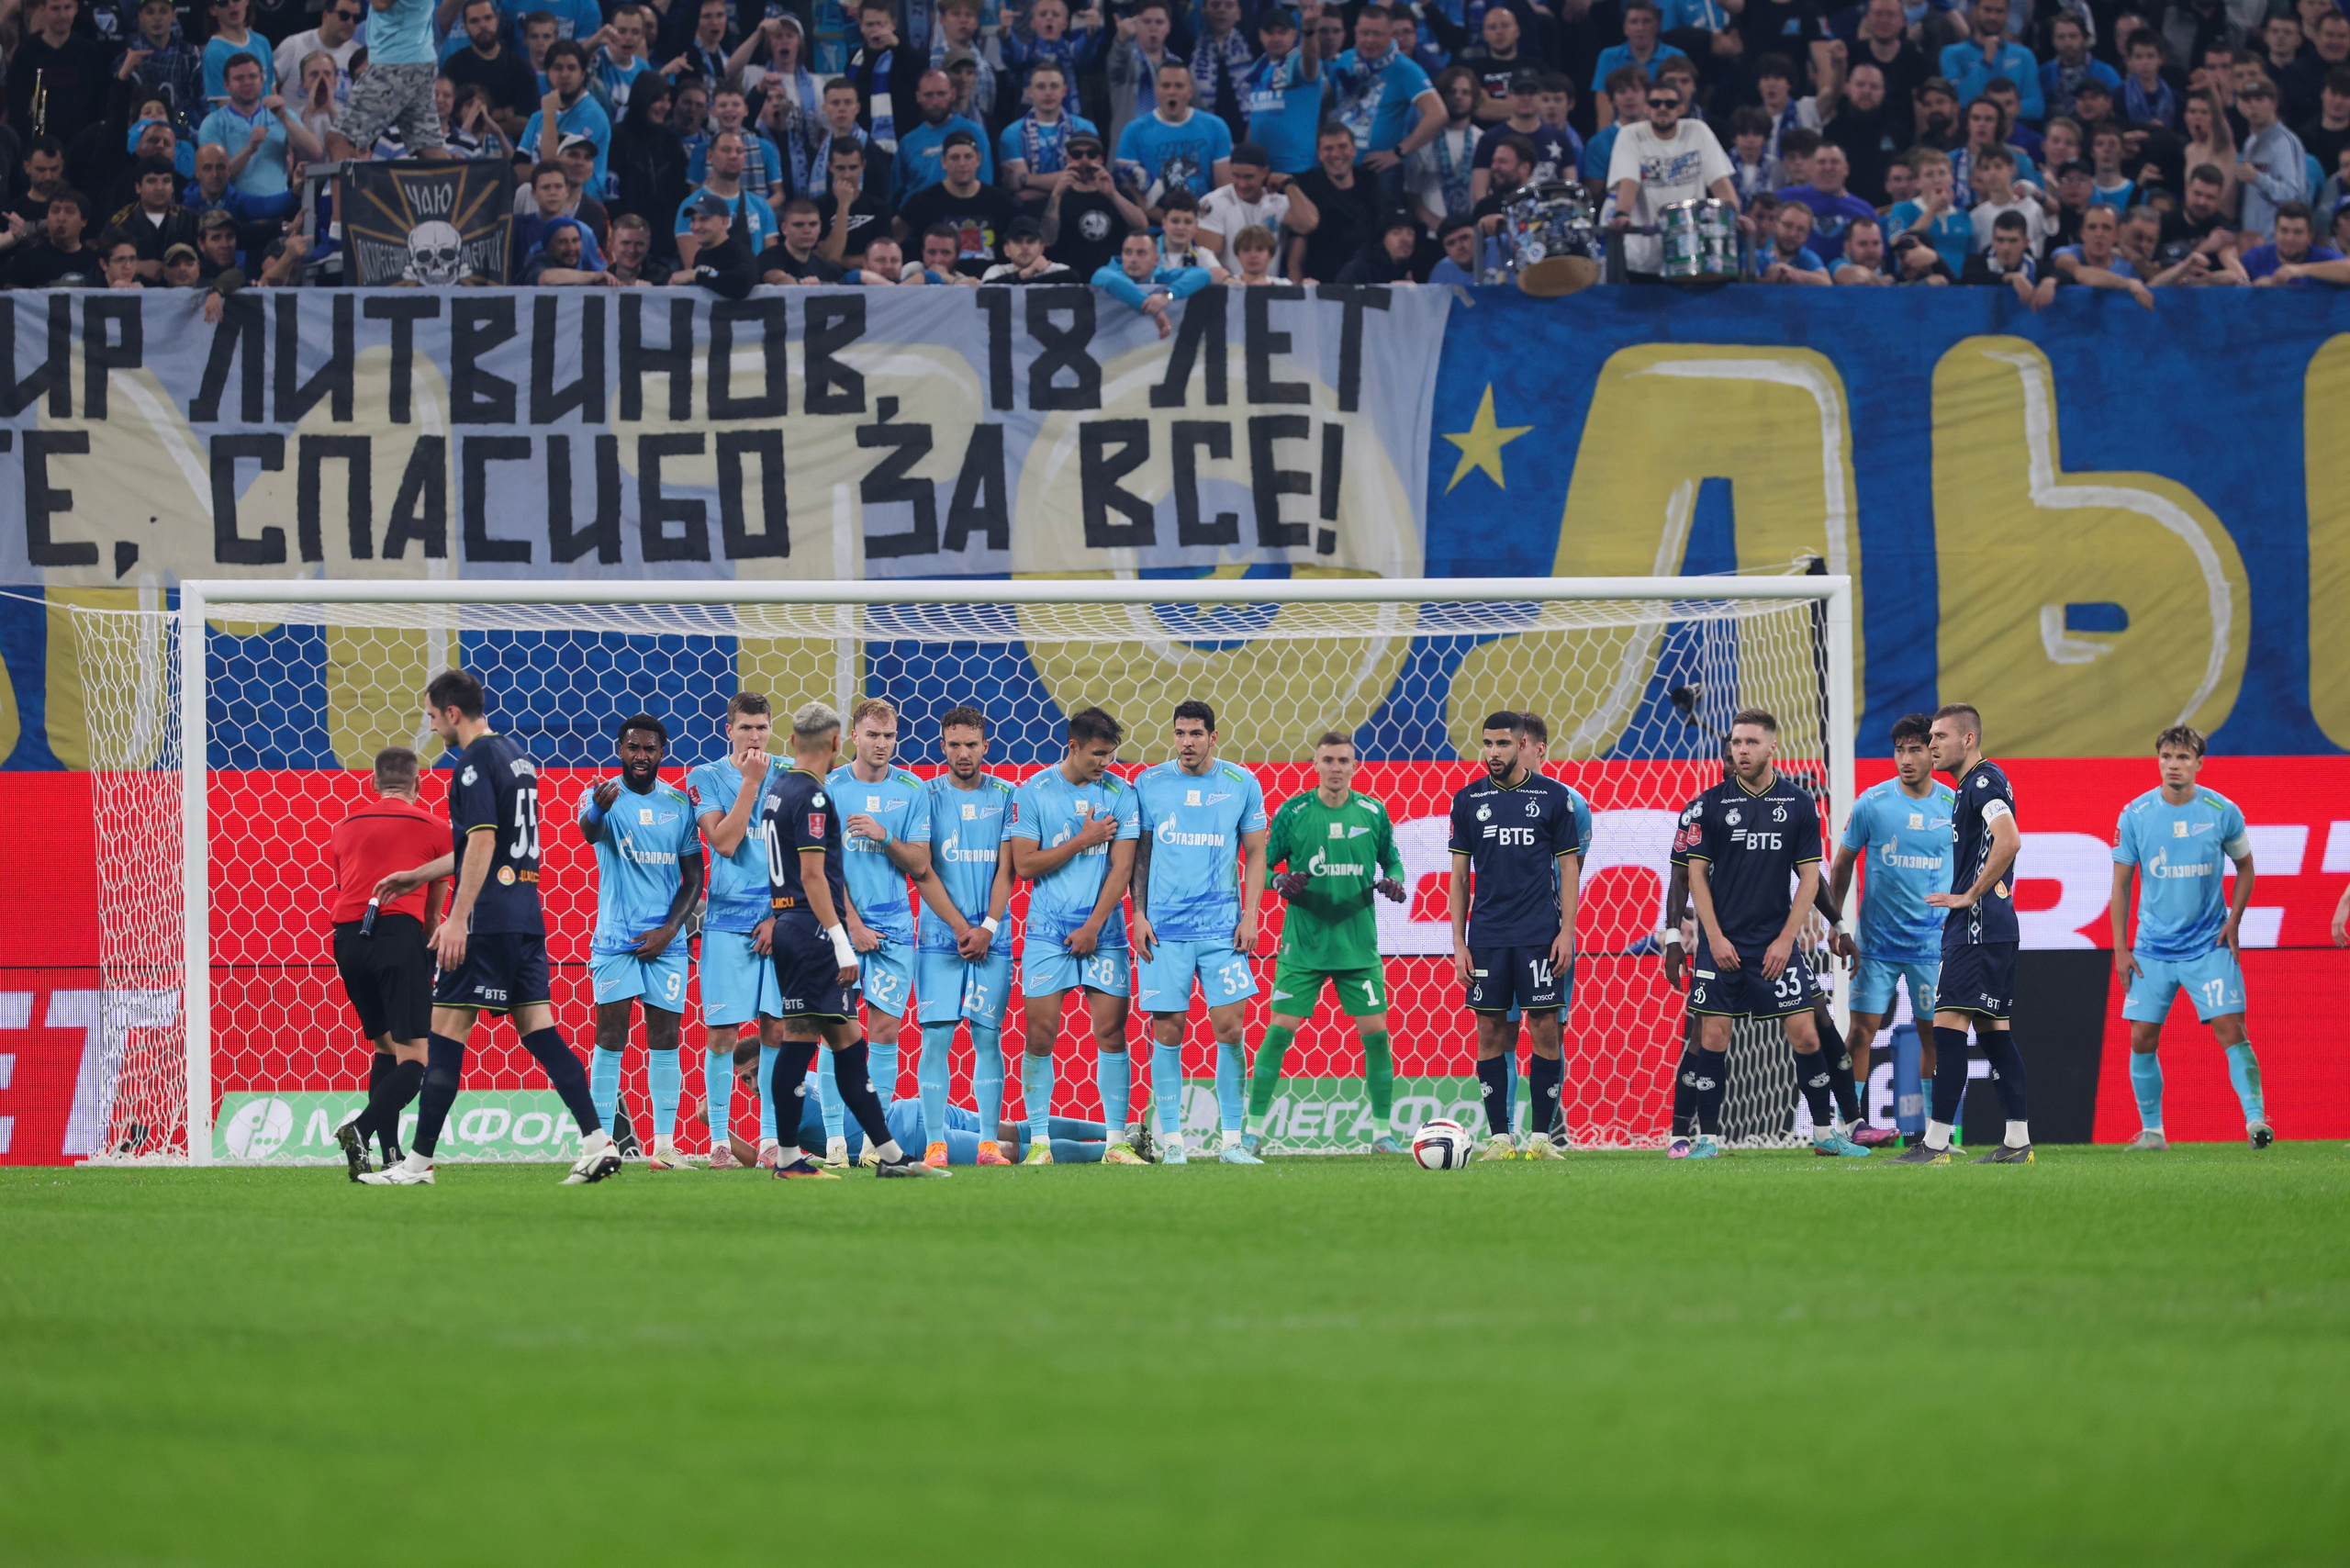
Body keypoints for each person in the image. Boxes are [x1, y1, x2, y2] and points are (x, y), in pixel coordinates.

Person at [360, 669, 619, 1186]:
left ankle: (417, 1165)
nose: (431, 727)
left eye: (432, 716)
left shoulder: (474, 762)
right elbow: (490, 845)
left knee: (446, 1031)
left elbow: (480, 844)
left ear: (452, 713)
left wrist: (457, 919)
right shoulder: (515, 755)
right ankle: (597, 1141)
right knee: (541, 1032)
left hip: (486, 922)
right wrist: (420, 873)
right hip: (524, 916)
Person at [752, 701, 948, 1181]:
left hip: (791, 926)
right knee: (807, 1042)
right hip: (814, 929)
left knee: (839, 1040)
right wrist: (841, 940)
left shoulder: (778, 789)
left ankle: (884, 1155)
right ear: (842, 742)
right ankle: (794, 1159)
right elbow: (815, 876)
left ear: (793, 742)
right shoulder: (819, 796)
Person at [1679, 709, 1868, 1160]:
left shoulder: (1799, 805)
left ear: (1771, 747)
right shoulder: (1709, 804)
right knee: (1713, 1038)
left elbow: (1808, 878)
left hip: (1773, 945)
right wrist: (1714, 937)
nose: (1740, 750)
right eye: (1736, 742)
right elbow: (1695, 877)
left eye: (1750, 742)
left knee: (1806, 1035)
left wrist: (1786, 940)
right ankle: (1708, 1138)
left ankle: (1825, 1134)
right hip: (1721, 944)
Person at [1242, 731, 1407, 1157]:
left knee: (1376, 1037)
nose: (1336, 768)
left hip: (1357, 946)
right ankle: (1252, 1131)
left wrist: (1394, 882)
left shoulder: (1373, 811)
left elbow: (1392, 860)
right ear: (1315, 764)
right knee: (1278, 1034)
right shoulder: (1293, 812)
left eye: (1343, 761)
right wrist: (1280, 881)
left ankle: (1383, 1134)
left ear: (1355, 766)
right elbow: (1264, 861)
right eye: (1328, 760)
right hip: (1304, 945)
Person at [2109, 725, 2270, 1152]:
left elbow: (2247, 868)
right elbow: (2121, 885)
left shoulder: (2222, 810)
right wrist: (2121, 948)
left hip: (2207, 946)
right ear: (2158, 761)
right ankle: (2153, 1133)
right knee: (2141, 1037)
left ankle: (2256, 1121)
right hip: (2151, 950)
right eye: (2166, 757)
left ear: (2199, 763)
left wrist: (2233, 921)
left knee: (2231, 1029)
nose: (2173, 765)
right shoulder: (2136, 814)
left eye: (2182, 757)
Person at [1006, 705, 1148, 1166]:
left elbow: (1123, 868)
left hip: (1102, 935)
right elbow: (1025, 866)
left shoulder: (1122, 794)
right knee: (1040, 1036)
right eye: (1097, 754)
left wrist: (1092, 926)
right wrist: (1082, 841)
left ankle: (1116, 1144)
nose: (1106, 763)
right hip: (1048, 935)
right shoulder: (1034, 792)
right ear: (1072, 746)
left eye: (1111, 754)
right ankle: (1041, 1144)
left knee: (1111, 1033)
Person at [1891, 703, 2032, 1165]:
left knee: (1947, 1029)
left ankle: (1935, 1145)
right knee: (1994, 1035)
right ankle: (2016, 1142)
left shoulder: (1984, 782)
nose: (1931, 745)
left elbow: (2009, 839)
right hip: (1992, 929)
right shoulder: (1973, 785)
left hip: (1978, 928)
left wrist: (1969, 894)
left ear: (1967, 740)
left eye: (1939, 737)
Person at [1131, 702, 1270, 1165]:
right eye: (1179, 733)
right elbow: (1141, 854)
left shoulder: (1240, 784)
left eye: (1195, 733)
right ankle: (1173, 1144)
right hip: (1165, 931)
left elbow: (1255, 854)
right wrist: (1139, 913)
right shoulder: (1150, 783)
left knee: (1230, 1029)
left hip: (1222, 931)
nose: (1186, 742)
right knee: (1167, 1031)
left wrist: (1250, 916)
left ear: (1214, 736)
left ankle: (1232, 1143)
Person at [1447, 711, 1583, 1161]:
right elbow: (1460, 879)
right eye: (1487, 744)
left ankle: (1541, 1139)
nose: (1493, 753)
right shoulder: (1468, 800)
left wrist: (1566, 933)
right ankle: (1500, 1138)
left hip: (1539, 935)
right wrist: (1459, 944)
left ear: (1523, 744)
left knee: (1545, 1030)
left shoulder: (1554, 797)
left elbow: (1568, 868)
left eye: (1502, 744)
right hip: (1486, 936)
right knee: (1491, 1032)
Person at [574, 714, 705, 1170]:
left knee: (666, 1039)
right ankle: (600, 1144)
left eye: (650, 748)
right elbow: (588, 833)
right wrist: (597, 810)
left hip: (665, 943)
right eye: (633, 748)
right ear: (619, 749)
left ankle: (664, 1147)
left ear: (662, 752)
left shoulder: (678, 805)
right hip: (615, 940)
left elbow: (694, 876)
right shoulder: (602, 794)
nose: (641, 756)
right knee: (609, 1038)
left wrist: (672, 930)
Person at [901, 706, 1019, 1165]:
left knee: (988, 1036)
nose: (963, 753)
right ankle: (936, 1143)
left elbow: (1007, 870)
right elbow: (922, 869)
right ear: (942, 746)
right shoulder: (924, 796)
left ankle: (989, 1142)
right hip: (939, 939)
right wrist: (960, 927)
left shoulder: (1009, 796)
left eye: (972, 744)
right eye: (954, 744)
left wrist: (987, 927)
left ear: (986, 745)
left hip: (993, 937)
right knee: (936, 1037)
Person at [1826, 714, 1953, 1141]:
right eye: (1900, 749)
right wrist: (1837, 922)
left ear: (1932, 752)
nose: (1906, 758)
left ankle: (1938, 1131)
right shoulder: (1872, 804)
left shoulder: (1952, 806)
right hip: (1875, 946)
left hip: (1931, 946)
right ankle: (1847, 1124)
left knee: (1933, 1036)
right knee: (1860, 1032)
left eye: (1915, 749)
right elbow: (1841, 864)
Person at [325, 747, 448, 1181]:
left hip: (348, 941)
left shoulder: (343, 827)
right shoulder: (436, 827)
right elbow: (434, 907)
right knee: (416, 1057)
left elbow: (346, 884)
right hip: (399, 936)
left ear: (373, 783)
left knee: (385, 1048)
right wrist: (431, 938)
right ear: (418, 784)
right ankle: (359, 1129)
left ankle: (392, 1155)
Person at [818, 700, 929, 1165]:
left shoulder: (912, 789)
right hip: (839, 930)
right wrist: (853, 925)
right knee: (835, 1031)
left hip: (895, 931)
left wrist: (885, 836)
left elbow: (921, 864)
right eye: (872, 735)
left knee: (884, 1032)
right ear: (853, 738)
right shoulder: (829, 786)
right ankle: (834, 1144)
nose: (881, 744)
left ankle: (872, 1145)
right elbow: (817, 867)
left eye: (888, 736)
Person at [683, 693, 789, 1171]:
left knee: (775, 1029)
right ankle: (720, 1144)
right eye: (746, 727)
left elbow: (804, 853)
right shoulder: (704, 777)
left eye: (762, 727)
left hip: (781, 922)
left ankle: (769, 1140)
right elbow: (723, 842)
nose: (755, 737)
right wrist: (749, 784)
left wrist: (782, 917)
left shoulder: (790, 774)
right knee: (723, 1033)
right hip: (727, 923)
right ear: (728, 729)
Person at [1606, 75, 1737, 281]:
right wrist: (1622, 213)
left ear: (1681, 108)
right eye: (1655, 103)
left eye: (1670, 103)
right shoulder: (1630, 135)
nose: (1662, 108)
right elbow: (1628, 181)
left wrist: (1734, 216)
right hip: (1645, 256)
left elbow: (1720, 181)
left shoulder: (1698, 130)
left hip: (1695, 253)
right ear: (1646, 108)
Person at [1327, 3, 1447, 185]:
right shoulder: (1345, 59)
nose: (1370, 40)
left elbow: (1438, 114)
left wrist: (1398, 152)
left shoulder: (1406, 69)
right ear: (1355, 31)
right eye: (1364, 33)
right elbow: (1325, 104)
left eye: (1377, 34)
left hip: (1379, 172)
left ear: (1391, 35)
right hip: (1338, 165)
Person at [893, 127, 1019, 273]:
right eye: (955, 157)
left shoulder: (1000, 201)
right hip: (938, 287)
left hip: (990, 288)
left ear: (978, 160)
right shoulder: (922, 201)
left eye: (968, 156)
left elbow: (1023, 240)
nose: (962, 163)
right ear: (943, 162)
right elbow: (892, 238)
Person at [1116, 60, 1235, 214]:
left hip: (1205, 220)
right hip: (1154, 224)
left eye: (1179, 86)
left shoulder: (1216, 127)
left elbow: (1224, 189)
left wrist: (1201, 222)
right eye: (1166, 86)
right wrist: (1168, 220)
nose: (1172, 92)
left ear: (1190, 92)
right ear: (1156, 90)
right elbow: (1128, 192)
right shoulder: (1134, 131)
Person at [1288, 120, 1384, 281]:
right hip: (1322, 287)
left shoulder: (1370, 182)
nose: (1335, 154)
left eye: (1342, 146)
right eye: (1328, 148)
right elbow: (1297, 246)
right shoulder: (1306, 187)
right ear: (1319, 154)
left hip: (1367, 287)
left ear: (1354, 150)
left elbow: (1387, 233)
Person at [999, 60, 1097, 209]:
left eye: (1054, 86)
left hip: (1077, 207)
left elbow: (1088, 177)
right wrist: (1069, 182)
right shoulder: (1012, 133)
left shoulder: (1084, 127)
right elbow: (1015, 187)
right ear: (1029, 91)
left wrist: (1028, 179)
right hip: (1031, 212)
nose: (1048, 93)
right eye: (1041, 87)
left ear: (1064, 91)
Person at [1043, 130, 1144, 274]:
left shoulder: (1120, 194)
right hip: (1069, 282)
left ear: (1101, 159)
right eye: (1077, 155)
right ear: (1068, 159)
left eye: (1091, 154)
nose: (1084, 160)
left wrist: (1113, 195)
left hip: (1112, 279)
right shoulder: (1057, 197)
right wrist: (1056, 194)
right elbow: (1046, 240)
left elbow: (1141, 226)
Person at [1239, 2, 1323, 176]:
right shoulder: (1257, 68)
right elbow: (1255, 117)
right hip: (1262, 171)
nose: (1276, 38)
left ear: (1294, 35)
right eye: (1270, 32)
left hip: (1298, 170)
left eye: (1282, 32)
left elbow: (1310, 62)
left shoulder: (1298, 61)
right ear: (1261, 35)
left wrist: (1309, 30)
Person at [1198, 140, 1313, 263]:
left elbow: (1308, 224)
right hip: (1228, 281)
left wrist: (1289, 183)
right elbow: (1207, 258)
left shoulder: (1277, 201)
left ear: (1265, 172)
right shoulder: (1214, 202)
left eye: (1248, 177)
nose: (1242, 184)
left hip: (1270, 282)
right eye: (1236, 176)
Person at [674, 129, 778, 266]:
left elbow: (769, 262)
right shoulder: (691, 206)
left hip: (753, 284)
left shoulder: (761, 206)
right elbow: (693, 264)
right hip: (709, 284)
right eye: (726, 150)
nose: (733, 156)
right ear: (710, 155)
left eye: (739, 151)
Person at [520, 40, 612, 191]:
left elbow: (552, 170)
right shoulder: (538, 116)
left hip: (581, 208)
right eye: (557, 68)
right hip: (542, 206)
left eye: (571, 68)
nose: (564, 75)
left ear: (583, 74)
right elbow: (517, 170)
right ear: (548, 73)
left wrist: (549, 115)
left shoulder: (593, 115)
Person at [441, 0, 537, 140]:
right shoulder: (454, 66)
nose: (483, 26)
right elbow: (448, 116)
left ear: (497, 19)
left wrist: (480, 124)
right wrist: (504, 113)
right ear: (465, 27)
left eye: (488, 18)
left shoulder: (519, 66)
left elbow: (527, 121)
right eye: (475, 21)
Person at [1472, 69, 1572, 202]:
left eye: (1531, 92)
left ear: (1540, 96)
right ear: (1508, 96)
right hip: (1505, 217)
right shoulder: (1489, 139)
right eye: (1519, 92)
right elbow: (1479, 194)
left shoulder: (1560, 138)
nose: (1526, 98)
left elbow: (1571, 188)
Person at [1092, 226, 1213, 336]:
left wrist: (1168, 296)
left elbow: (1202, 274)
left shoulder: (1159, 277)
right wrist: (1153, 309)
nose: (1133, 259)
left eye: (1141, 253)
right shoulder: (1107, 273)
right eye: (1128, 252)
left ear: (1156, 260)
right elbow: (1110, 280)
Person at [1776, 141, 1876, 263]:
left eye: (1835, 162)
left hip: (1848, 276)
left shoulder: (1864, 210)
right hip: (1792, 274)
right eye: (1821, 162)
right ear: (1811, 169)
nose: (1828, 168)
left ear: (1846, 169)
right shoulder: (1784, 197)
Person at [1591, 0, 1685, 128]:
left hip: (1664, 129)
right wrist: (1605, 140)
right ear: (1625, 28)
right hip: (1621, 130)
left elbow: (1683, 99)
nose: (1640, 28)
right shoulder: (1608, 56)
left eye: (1646, 21)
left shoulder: (1676, 56)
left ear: (1657, 26)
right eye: (1634, 22)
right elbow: (1604, 104)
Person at [2238, 77, 2307, 241]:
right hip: (2252, 240)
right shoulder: (2250, 142)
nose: (2252, 105)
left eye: (2260, 99)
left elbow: (2294, 195)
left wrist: (2258, 178)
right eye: (2247, 100)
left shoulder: (2286, 143)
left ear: (2274, 103)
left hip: (2277, 242)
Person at [1887, 146, 1972, 275]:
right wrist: (1932, 210)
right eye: (1929, 175)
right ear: (1917, 183)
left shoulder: (1963, 215)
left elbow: (1972, 255)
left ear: (1951, 178)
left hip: (1958, 288)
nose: (1937, 180)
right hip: (1919, 286)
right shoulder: (1903, 208)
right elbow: (1898, 243)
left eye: (1942, 173)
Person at [2049, 202, 2154, 305]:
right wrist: (2127, 283)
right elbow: (2080, 274)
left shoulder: (2129, 270)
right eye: (2092, 227)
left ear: (2117, 235)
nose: (2099, 234)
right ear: (2082, 234)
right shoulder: (2066, 254)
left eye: (2106, 227)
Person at [811, 138, 893, 264]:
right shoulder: (817, 207)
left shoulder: (879, 208)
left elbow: (882, 259)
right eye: (841, 168)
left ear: (863, 166)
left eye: (853, 167)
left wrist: (841, 260)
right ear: (830, 167)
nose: (847, 175)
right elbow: (830, 257)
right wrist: (843, 205)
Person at [670, 187, 756, 294]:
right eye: (693, 220)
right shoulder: (700, 255)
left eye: (704, 219)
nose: (696, 227)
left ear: (724, 222)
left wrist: (696, 275)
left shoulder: (739, 252)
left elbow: (743, 282)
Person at [2246, 198, 2350, 283]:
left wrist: (2301, 270)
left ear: (2310, 237)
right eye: (2284, 230)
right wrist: (2255, 287)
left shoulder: (2322, 258)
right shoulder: (2257, 257)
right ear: (2275, 232)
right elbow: (2236, 283)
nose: (2289, 238)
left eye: (2297, 232)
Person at [1960, 207, 2042, 299]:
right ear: (1993, 241)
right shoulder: (1976, 263)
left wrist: (2050, 281)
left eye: (2012, 241)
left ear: (2025, 242)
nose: (2006, 247)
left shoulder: (2034, 266)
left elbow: (2058, 273)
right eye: (2000, 240)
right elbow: (1969, 277)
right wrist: (2009, 277)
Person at [759, 196, 845, 280]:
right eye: (799, 225)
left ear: (820, 227)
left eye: (813, 224)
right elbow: (775, 278)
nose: (807, 230)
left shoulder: (827, 268)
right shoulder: (768, 258)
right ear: (784, 228)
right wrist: (801, 284)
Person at [516, 210, 614, 281]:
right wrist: (594, 276)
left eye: (575, 240)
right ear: (548, 247)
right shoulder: (537, 263)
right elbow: (547, 278)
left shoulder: (584, 267)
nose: (571, 248)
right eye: (563, 242)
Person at [1333, 205, 1422, 280]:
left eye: (1410, 233)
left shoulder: (1418, 268)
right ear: (1382, 239)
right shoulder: (1359, 269)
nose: (1405, 239)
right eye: (1396, 233)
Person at [1755, 198, 1831, 281]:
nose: (1792, 234)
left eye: (1801, 229)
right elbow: (1746, 281)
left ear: (1807, 235)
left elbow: (1826, 282)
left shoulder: (1808, 258)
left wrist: (1794, 273)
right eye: (1788, 225)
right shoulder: (1757, 256)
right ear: (1776, 223)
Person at [1830, 212, 1896, 281]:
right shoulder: (1837, 264)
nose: (1871, 250)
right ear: (1847, 246)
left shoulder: (1889, 267)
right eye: (1863, 244)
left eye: (1876, 243)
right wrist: (1882, 281)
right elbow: (1855, 276)